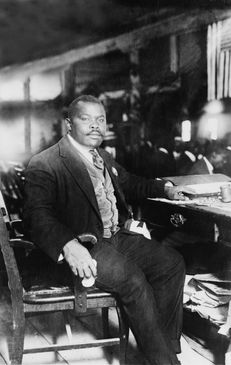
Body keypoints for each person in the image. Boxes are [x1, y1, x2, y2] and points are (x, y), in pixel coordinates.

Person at [24, 95, 194, 365]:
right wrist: (69, 245)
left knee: (171, 264)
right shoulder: (45, 162)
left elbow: (131, 183)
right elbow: (36, 216)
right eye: (86, 119)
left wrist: (165, 189)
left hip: (114, 238)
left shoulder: (102, 157)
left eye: (100, 119)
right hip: (83, 245)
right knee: (134, 281)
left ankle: (163, 350)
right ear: (69, 124)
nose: (95, 126)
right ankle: (164, 362)